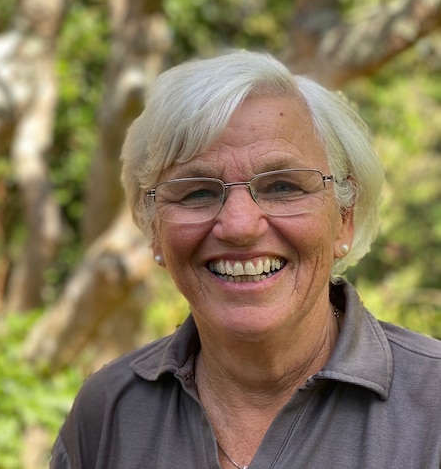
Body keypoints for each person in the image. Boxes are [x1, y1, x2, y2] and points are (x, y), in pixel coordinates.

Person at [51, 50, 441, 468]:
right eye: (197, 192)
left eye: (283, 187)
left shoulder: (432, 405)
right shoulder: (108, 411)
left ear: (343, 220)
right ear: (154, 232)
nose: (239, 225)